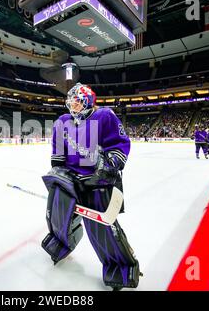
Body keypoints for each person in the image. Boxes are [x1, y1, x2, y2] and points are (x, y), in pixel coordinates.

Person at [41, 83, 141, 291]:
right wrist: (58, 170)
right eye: (70, 102)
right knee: (57, 213)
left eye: (77, 101)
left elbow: (119, 143)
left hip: (97, 179)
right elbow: (58, 153)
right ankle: (60, 244)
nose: (72, 106)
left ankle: (120, 266)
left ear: (88, 101)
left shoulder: (104, 116)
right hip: (71, 177)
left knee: (100, 226)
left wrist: (111, 163)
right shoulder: (62, 121)